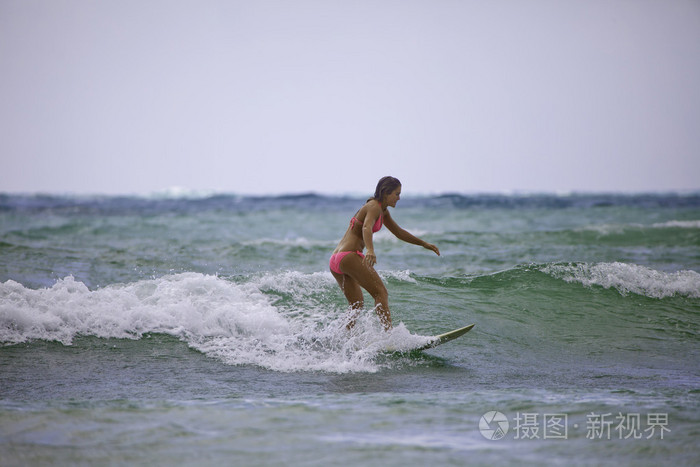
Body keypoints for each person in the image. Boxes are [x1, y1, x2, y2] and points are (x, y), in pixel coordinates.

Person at [329, 176, 440, 330]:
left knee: (356, 305)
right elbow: (366, 227)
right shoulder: (374, 206)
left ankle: (339, 338)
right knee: (381, 293)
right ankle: (388, 336)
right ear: (386, 192)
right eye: (396, 194)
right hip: (349, 255)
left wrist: (423, 244)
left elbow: (399, 232)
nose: (399, 198)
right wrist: (370, 250)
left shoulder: (383, 211)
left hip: (337, 259)